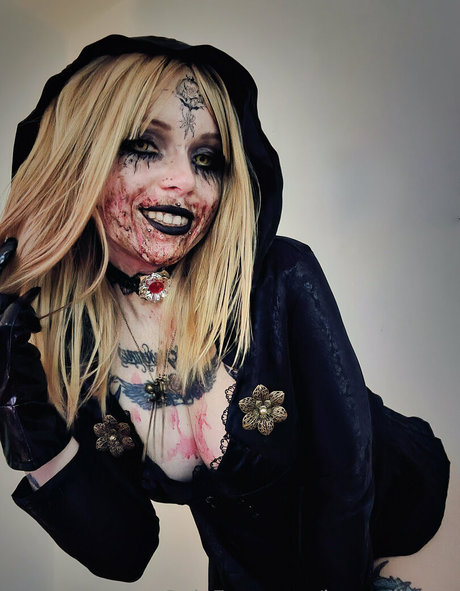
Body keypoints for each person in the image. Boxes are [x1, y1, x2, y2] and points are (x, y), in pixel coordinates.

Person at [0, 34, 450, 591]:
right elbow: (126, 549)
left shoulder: (280, 277)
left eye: (207, 159)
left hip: (413, 532)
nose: (186, 181)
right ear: (77, 161)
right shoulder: (73, 342)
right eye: (144, 146)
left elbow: (346, 477)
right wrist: (35, 437)